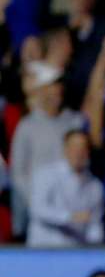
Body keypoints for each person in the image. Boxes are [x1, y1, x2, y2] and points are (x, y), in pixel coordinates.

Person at [9, 62, 85, 240]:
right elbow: (18, 171)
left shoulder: (74, 122)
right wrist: (36, 200)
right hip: (37, 213)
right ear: (41, 90)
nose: (56, 91)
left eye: (58, 85)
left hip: (71, 210)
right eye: (51, 85)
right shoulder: (27, 126)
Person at [26, 130, 105, 247]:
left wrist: (97, 247)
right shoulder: (46, 174)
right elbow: (37, 208)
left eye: (83, 148)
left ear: (88, 151)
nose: (78, 152)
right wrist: (69, 217)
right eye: (74, 147)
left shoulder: (95, 185)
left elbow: (95, 222)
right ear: (65, 149)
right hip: (43, 250)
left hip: (75, 252)